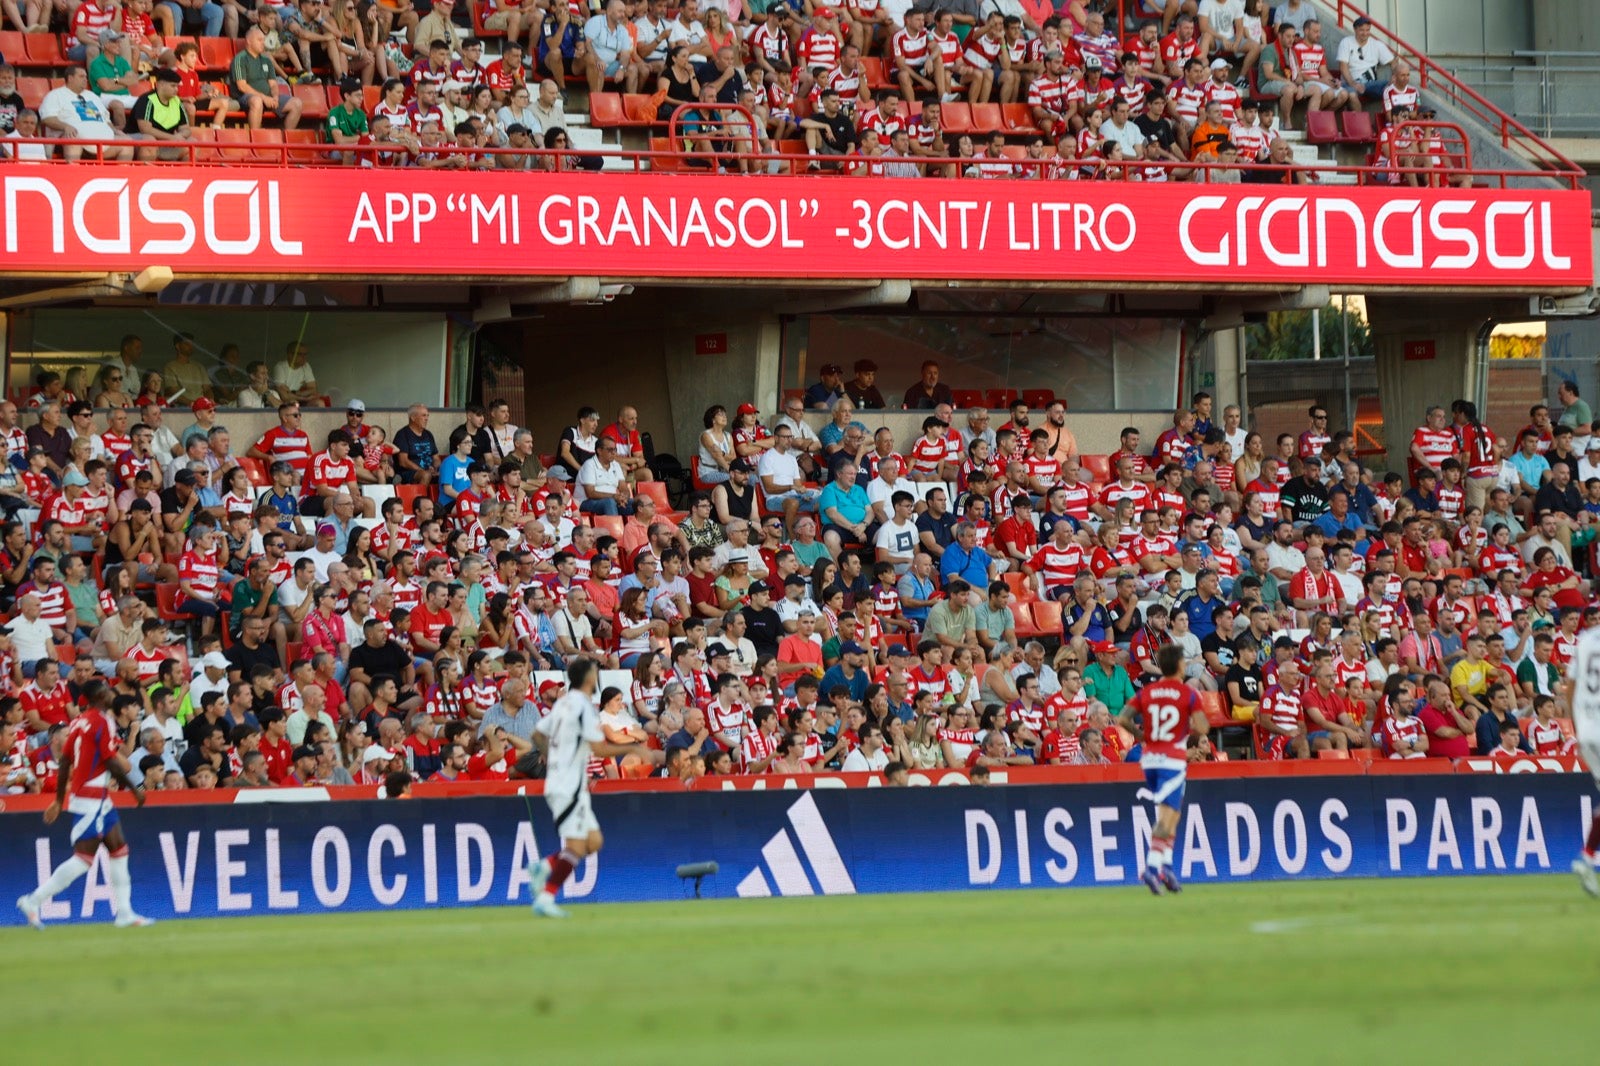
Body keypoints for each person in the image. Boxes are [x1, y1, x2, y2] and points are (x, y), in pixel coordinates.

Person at [17, 681, 153, 928]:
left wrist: (59, 800)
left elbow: (65, 762)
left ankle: (124, 913)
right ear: (100, 696)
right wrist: (135, 789)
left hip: (95, 796)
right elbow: (110, 761)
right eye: (107, 691)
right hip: (92, 797)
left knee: (119, 849)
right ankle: (33, 901)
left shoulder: (78, 722)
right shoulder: (102, 721)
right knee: (83, 859)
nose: (111, 693)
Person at [526, 658, 637, 919]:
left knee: (594, 841)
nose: (597, 675)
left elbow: (538, 735)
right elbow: (599, 749)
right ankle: (546, 898)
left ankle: (544, 866)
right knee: (576, 847)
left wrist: (554, 758)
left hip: (570, 783)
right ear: (588, 678)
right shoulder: (583, 707)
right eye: (595, 672)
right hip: (568, 787)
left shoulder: (564, 703)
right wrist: (636, 749)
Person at [1119, 643, 1199, 895]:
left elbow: (1123, 718)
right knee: (1166, 816)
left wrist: (1142, 736)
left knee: (1172, 814)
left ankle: (1167, 867)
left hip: (1150, 758)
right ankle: (1152, 868)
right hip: (1172, 759)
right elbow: (1203, 727)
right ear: (1179, 665)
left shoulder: (1148, 691)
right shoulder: (1187, 693)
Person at [1568, 627, 1600, 897]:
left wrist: (1577, 729)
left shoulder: (1586, 639)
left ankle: (1587, 856)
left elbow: (1571, 688)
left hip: (1588, 732)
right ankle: (1587, 856)